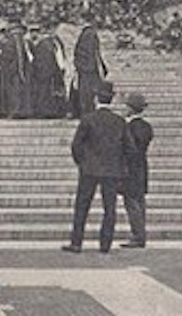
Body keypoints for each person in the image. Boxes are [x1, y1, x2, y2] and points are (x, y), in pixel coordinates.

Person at [62, 82, 134, 254]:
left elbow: (76, 145)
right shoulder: (119, 121)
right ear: (111, 99)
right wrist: (120, 164)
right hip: (111, 170)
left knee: (82, 206)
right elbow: (130, 148)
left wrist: (82, 162)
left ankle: (77, 242)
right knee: (110, 208)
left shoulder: (88, 119)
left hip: (89, 169)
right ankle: (105, 244)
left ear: (96, 98)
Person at [121, 93, 153, 248]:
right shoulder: (146, 127)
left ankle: (137, 235)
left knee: (131, 203)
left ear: (131, 109)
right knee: (140, 202)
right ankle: (140, 234)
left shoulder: (129, 127)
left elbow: (129, 149)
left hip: (130, 169)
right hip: (142, 167)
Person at [31, 23, 68, 118]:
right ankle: (48, 111)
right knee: (47, 92)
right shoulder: (46, 43)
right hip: (49, 72)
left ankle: (52, 111)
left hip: (52, 71)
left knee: (50, 92)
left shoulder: (53, 42)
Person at [0, 21, 32, 119]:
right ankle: (20, 111)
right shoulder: (20, 40)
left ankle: (16, 111)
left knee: (15, 91)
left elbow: (11, 56)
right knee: (18, 90)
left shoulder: (13, 40)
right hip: (19, 69)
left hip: (14, 70)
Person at [73, 20, 107, 117]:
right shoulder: (90, 34)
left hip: (87, 69)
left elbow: (85, 52)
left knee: (86, 94)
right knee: (89, 94)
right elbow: (93, 53)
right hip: (89, 69)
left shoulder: (87, 34)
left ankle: (87, 113)